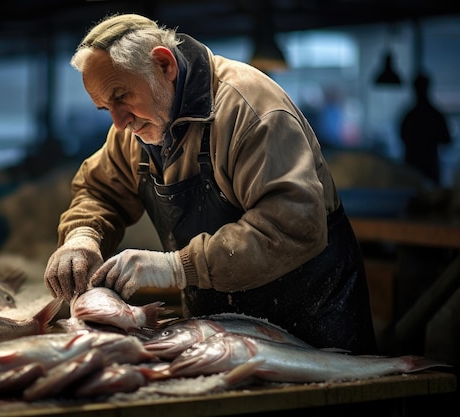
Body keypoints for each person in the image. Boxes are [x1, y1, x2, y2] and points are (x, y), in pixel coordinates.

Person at [44, 13, 378, 354]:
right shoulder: (137, 126)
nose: (119, 122)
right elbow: (101, 190)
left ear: (164, 65)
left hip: (312, 328)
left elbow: (290, 226)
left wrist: (178, 267)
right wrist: (82, 235)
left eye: (121, 97)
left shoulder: (248, 109)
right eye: (105, 108)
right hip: (221, 332)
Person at [400, 73, 452, 184]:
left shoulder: (411, 116)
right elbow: (447, 139)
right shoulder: (434, 115)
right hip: (418, 168)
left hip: (423, 167)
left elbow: (447, 140)